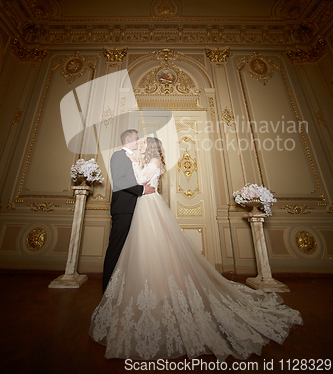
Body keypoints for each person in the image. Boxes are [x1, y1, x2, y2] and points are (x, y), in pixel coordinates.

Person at [91, 136, 302, 361]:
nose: (140, 145)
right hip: (143, 206)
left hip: (149, 206)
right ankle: (152, 287)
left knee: (156, 248)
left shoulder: (152, 161)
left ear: (150, 147)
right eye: (138, 142)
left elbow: (140, 179)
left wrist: (133, 161)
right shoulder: (147, 159)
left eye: (143, 143)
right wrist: (134, 163)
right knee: (146, 250)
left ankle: (165, 290)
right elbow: (137, 182)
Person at [102, 129, 155, 293]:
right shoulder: (118, 155)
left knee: (129, 251)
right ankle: (107, 290)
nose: (139, 142)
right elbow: (119, 181)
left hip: (134, 209)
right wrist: (142, 190)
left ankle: (122, 289)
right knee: (116, 249)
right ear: (129, 139)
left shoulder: (131, 158)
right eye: (137, 139)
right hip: (123, 210)